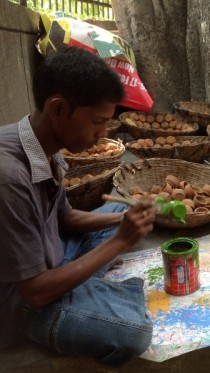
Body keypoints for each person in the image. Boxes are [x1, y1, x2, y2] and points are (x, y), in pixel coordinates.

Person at [0, 47, 156, 367]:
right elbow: (34, 293)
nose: (102, 136)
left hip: (49, 258)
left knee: (116, 213)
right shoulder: (10, 179)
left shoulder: (44, 144)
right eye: (97, 122)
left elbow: (65, 219)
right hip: (20, 301)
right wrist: (120, 241)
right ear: (58, 108)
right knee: (134, 334)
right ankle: (89, 293)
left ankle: (83, 286)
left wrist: (125, 222)